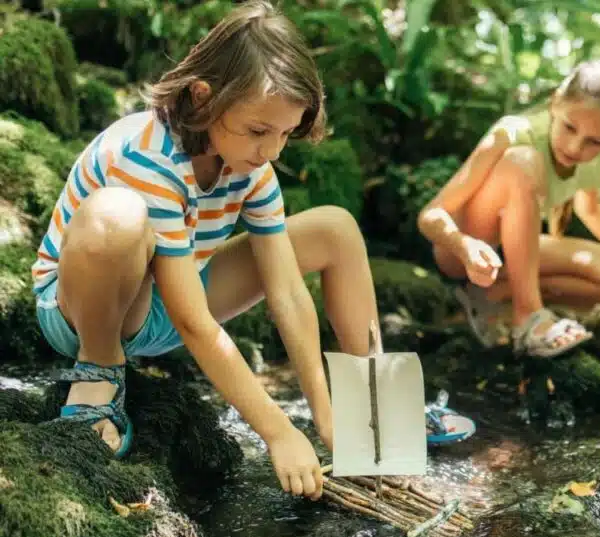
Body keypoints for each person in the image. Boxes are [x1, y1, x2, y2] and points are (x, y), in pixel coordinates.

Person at [30, 0, 473, 503]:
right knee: (118, 215)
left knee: (336, 229)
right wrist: (278, 431)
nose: (273, 151)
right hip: (85, 308)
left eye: (286, 133)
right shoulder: (145, 156)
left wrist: (324, 416)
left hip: (168, 298)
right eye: (259, 131)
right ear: (203, 98)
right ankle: (99, 371)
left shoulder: (250, 165)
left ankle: (369, 412)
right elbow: (196, 323)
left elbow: (286, 290)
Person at [417, 59, 600, 357]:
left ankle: (491, 299)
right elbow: (430, 216)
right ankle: (528, 318)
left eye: (594, 142)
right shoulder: (513, 133)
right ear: (555, 103)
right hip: (464, 251)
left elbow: (591, 209)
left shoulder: (599, 158)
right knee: (524, 161)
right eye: (569, 127)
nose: (575, 148)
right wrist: (464, 245)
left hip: (515, 251)